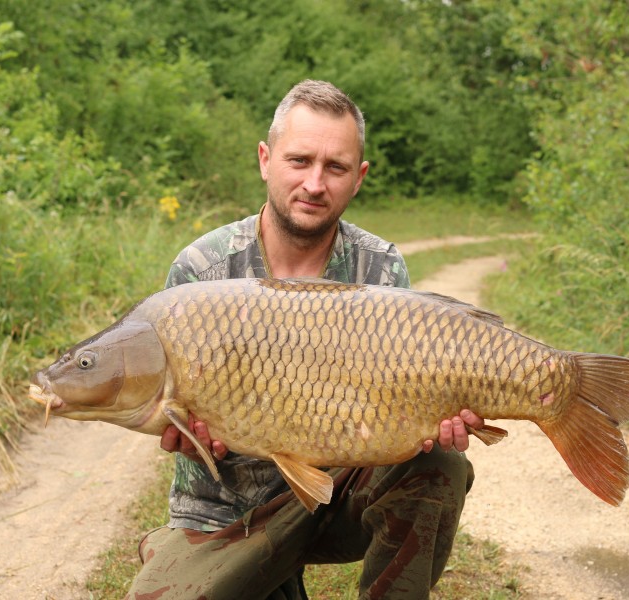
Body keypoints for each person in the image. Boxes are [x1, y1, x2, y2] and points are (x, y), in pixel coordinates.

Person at [126, 80, 484, 600]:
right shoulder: (201, 269)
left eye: (335, 167)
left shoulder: (379, 266)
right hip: (225, 513)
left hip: (337, 496)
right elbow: (165, 405)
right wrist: (185, 431)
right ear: (266, 159)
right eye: (299, 161)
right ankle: (248, 571)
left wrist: (435, 415)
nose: (314, 183)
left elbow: (400, 408)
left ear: (358, 178)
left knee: (439, 465)